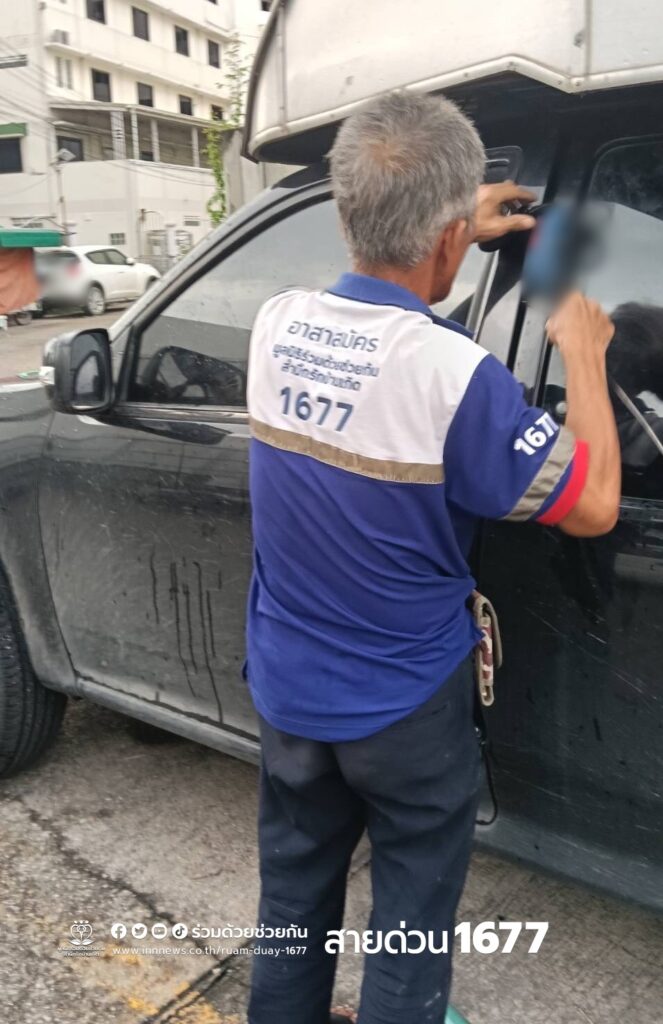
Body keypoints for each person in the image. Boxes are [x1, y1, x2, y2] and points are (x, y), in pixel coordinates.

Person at [244, 91, 621, 1024]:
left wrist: (440, 224)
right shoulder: (459, 380)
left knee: (290, 909)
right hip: (404, 710)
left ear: (344, 210)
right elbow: (592, 505)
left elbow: (371, 334)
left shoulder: (274, 324)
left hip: (288, 690)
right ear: (452, 239)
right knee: (408, 929)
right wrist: (583, 353)